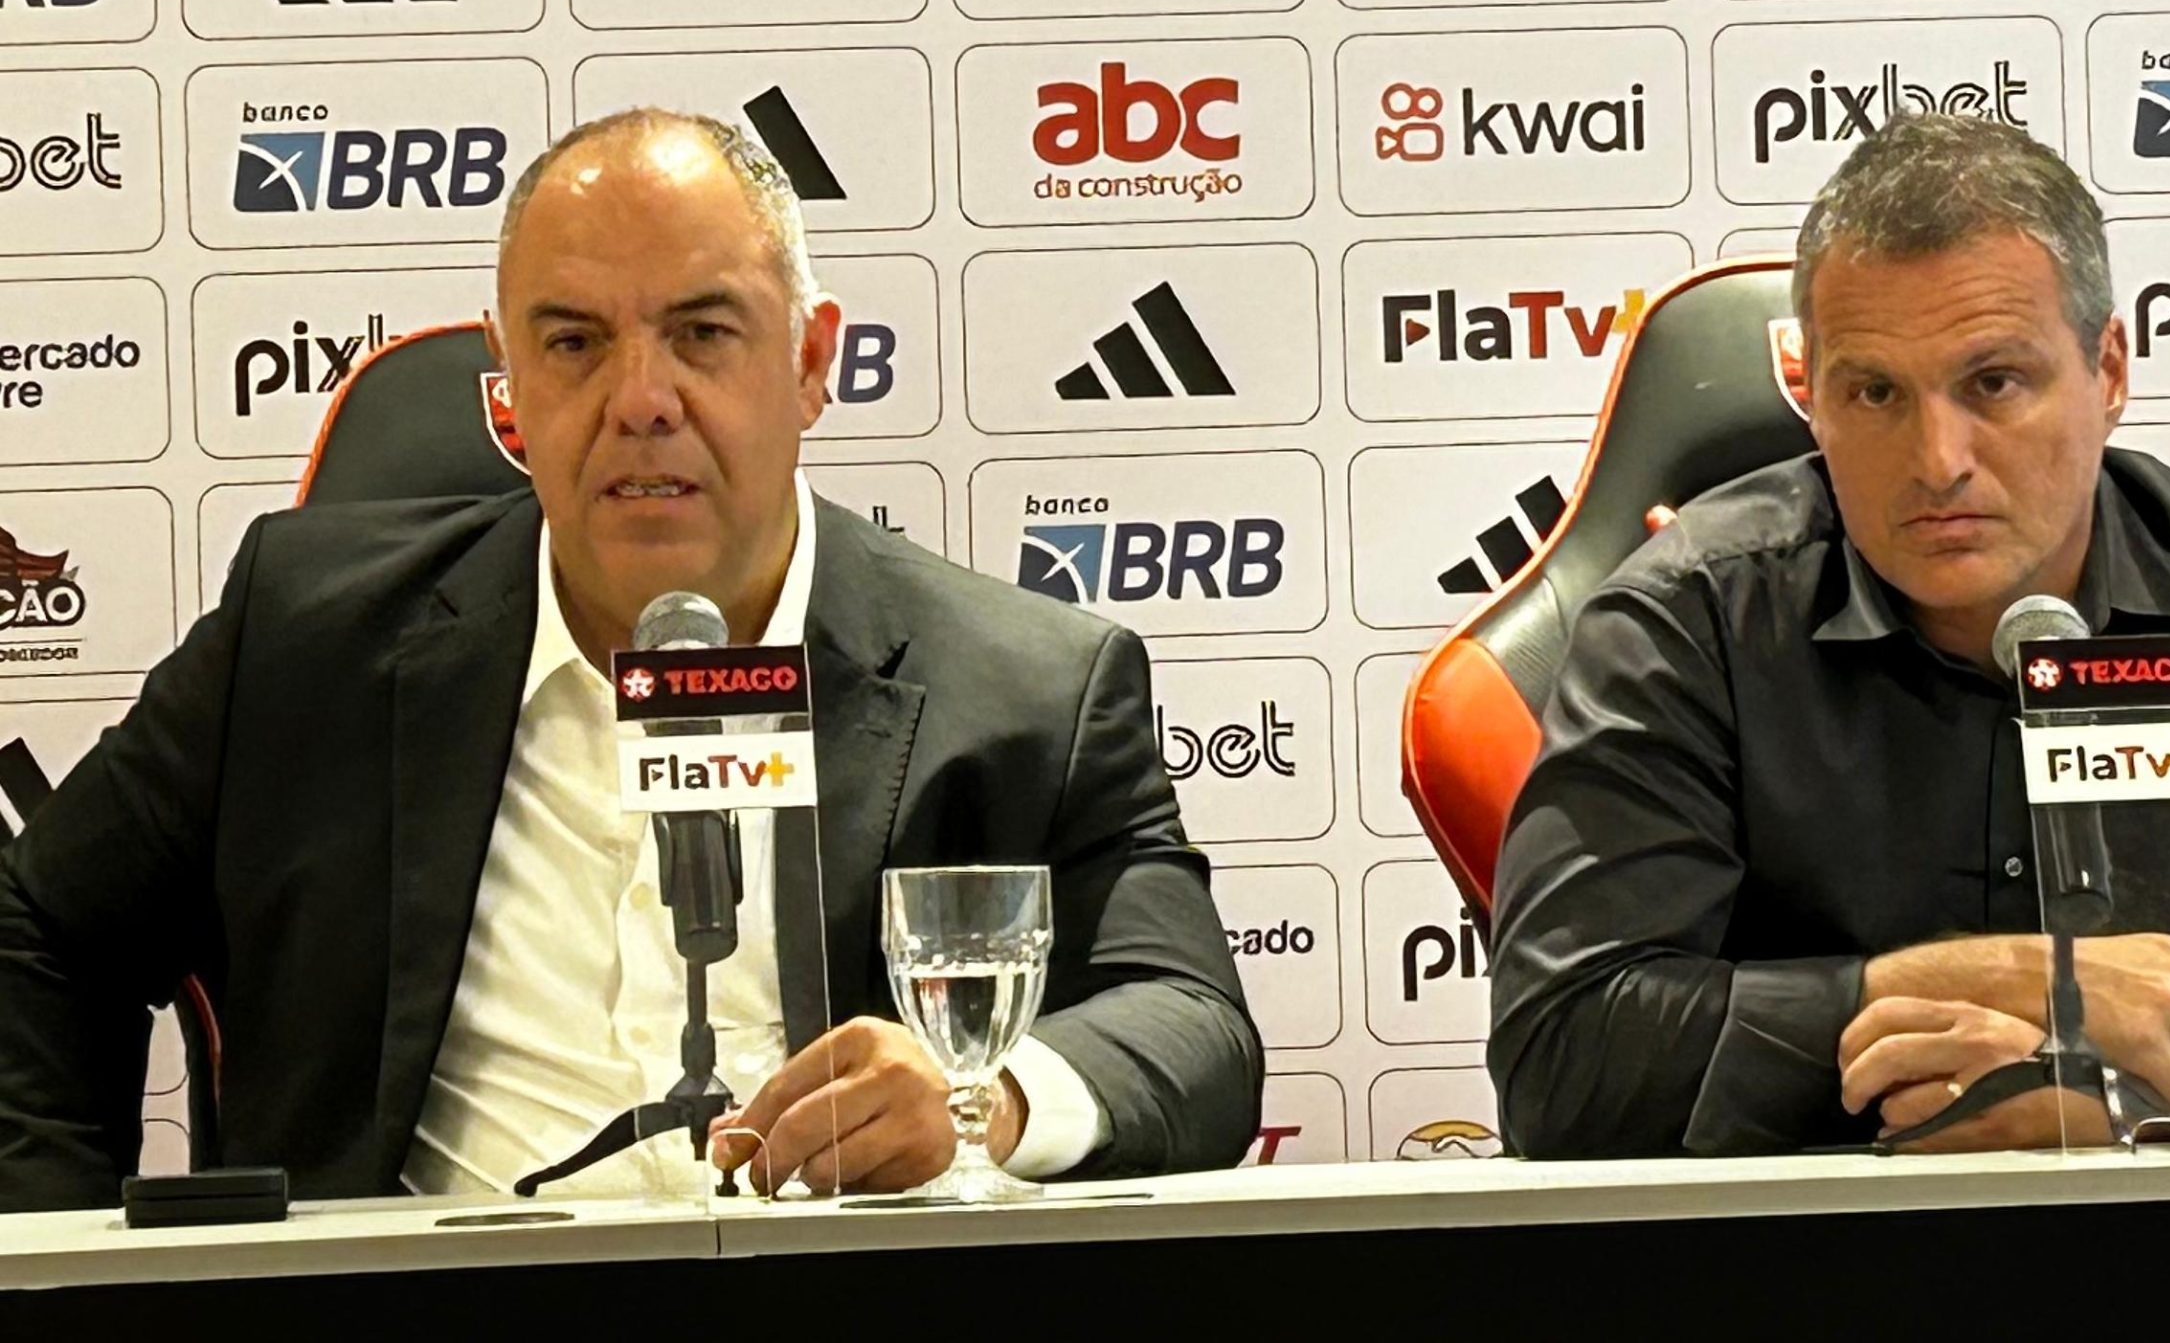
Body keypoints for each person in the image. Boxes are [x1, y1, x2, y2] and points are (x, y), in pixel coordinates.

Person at [0, 110, 1260, 1210]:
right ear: (509, 397)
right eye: (573, 343)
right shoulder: (306, 644)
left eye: (703, 332)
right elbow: (38, 924)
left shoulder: (1031, 684)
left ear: (813, 361)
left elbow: (1190, 1022)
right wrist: (58, 1251)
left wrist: (987, 1102)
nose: (640, 397)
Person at [1487, 113, 2170, 1156]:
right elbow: (1563, 1056)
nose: (1937, 456)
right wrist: (2029, 984)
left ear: (2108, 371)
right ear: (1807, 393)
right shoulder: (1688, 622)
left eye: (1992, 382)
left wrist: (2124, 1099)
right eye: (1874, 392)